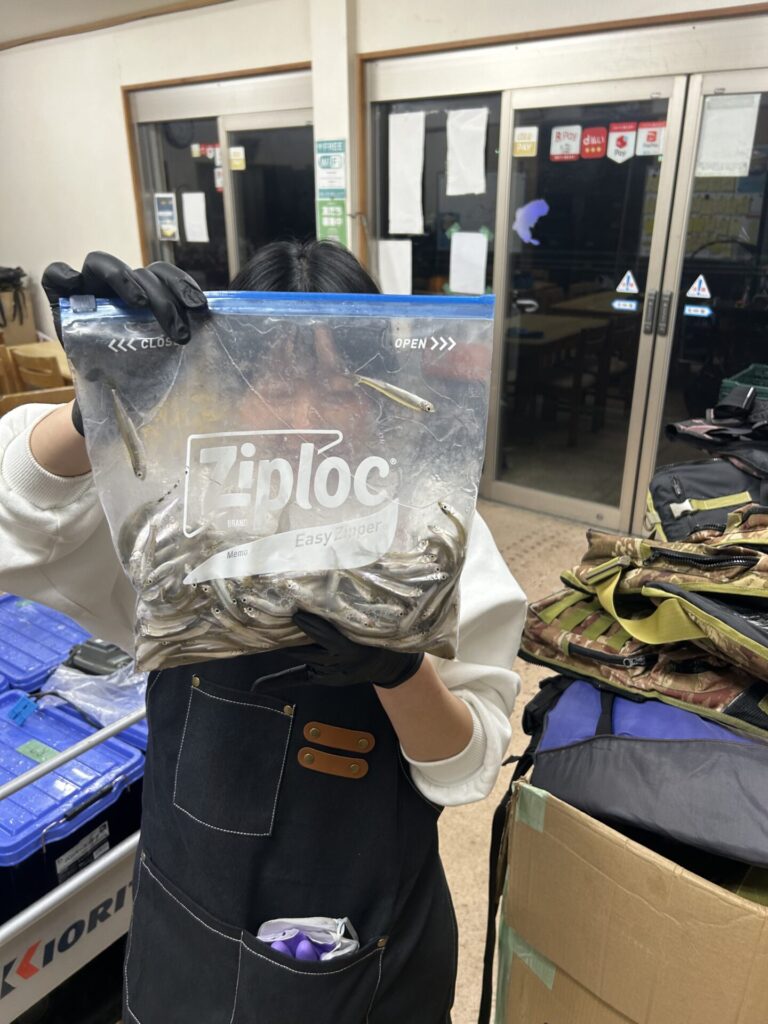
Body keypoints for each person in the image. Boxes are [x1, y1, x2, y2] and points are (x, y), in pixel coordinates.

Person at [0, 242, 525, 1024]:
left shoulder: (433, 535)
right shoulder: (170, 516)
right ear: (229, 386)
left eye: (339, 388)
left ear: (383, 394)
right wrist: (96, 409)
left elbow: (469, 765)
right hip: (187, 926)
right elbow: (18, 522)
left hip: (361, 951)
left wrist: (400, 668)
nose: (304, 420)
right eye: (273, 384)